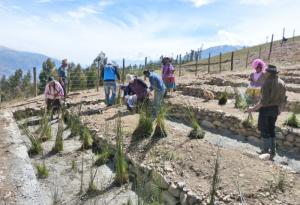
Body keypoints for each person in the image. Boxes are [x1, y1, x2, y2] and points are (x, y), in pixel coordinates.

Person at [248, 65, 287, 160]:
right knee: (271, 129)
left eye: (266, 72)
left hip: (266, 110)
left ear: (269, 73)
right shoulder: (282, 82)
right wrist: (280, 109)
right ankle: (273, 151)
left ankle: (265, 151)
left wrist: (253, 108)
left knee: (265, 130)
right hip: (275, 110)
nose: (264, 73)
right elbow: (283, 99)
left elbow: (263, 102)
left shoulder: (267, 83)